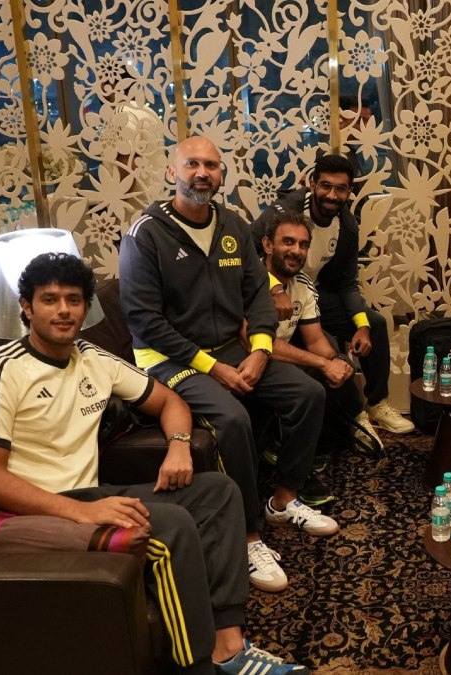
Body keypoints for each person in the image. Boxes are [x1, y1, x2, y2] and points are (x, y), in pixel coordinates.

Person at [0, 252, 308, 675]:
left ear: (86, 308)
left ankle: (228, 649)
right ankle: (196, 666)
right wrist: (81, 512)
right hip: (25, 513)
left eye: (73, 300)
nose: (64, 310)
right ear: (27, 308)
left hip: (87, 495)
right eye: (49, 300)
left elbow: (170, 401)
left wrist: (179, 446)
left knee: (219, 493)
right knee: (172, 526)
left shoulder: (92, 358)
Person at [120, 136, 339, 594]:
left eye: (212, 165)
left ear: (221, 174)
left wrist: (260, 350)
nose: (203, 173)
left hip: (230, 349)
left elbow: (258, 293)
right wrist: (212, 367)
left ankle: (284, 500)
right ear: (172, 172)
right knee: (234, 418)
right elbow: (144, 321)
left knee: (308, 393)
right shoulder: (146, 233)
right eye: (192, 164)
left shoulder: (233, 225)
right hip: (168, 359)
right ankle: (248, 537)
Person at [252, 153, 414, 443]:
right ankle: (353, 416)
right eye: (326, 186)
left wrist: (361, 325)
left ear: (349, 192)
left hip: (314, 293)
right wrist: (274, 288)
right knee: (327, 351)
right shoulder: (285, 212)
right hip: (271, 290)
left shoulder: (347, 226)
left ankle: (377, 404)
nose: (332, 195)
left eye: (341, 189)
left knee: (374, 323)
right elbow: (247, 255)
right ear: (312, 184)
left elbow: (347, 284)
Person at [259, 209, 366, 504]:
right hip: (251, 360)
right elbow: (262, 344)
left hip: (280, 360)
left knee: (335, 373)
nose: (296, 251)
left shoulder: (303, 286)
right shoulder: (250, 281)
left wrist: (337, 360)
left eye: (303, 244)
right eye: (288, 242)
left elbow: (315, 339)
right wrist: (322, 363)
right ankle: (296, 476)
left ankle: (287, 446)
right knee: (312, 385)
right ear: (267, 245)